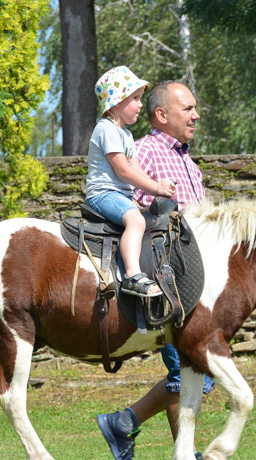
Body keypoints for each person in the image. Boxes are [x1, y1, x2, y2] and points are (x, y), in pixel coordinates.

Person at [96, 80, 224, 460]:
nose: (196, 115)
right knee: (188, 371)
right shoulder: (146, 151)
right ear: (162, 115)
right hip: (172, 282)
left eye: (195, 108)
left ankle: (125, 423)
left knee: (196, 373)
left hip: (196, 280)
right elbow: (133, 206)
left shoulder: (189, 163)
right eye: (187, 108)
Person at [85, 66, 176, 299]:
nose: (139, 104)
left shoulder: (125, 135)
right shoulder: (105, 129)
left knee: (148, 218)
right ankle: (132, 277)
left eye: (139, 98)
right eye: (135, 98)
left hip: (120, 195)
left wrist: (158, 186)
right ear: (116, 102)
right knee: (135, 220)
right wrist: (155, 188)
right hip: (103, 194)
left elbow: (136, 168)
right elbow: (124, 171)